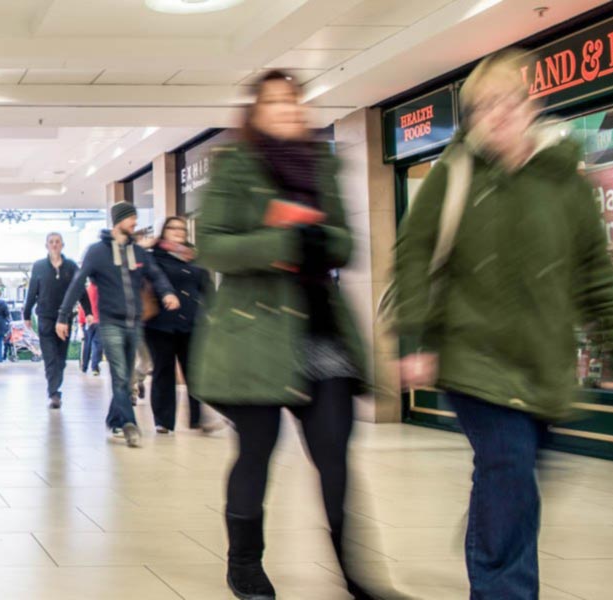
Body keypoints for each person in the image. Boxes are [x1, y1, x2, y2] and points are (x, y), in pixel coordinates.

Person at [393, 51, 613, 600]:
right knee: (509, 469)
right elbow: (413, 256)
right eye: (483, 107)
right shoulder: (453, 176)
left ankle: (491, 534)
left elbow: (595, 268)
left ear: (529, 106)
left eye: (509, 102)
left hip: (543, 361)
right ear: (472, 119)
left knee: (516, 481)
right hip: (471, 356)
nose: (498, 115)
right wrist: (415, 337)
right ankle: (504, 587)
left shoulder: (565, 180)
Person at [190, 70, 390, 600]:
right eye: (273, 101)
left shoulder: (321, 163)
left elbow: (347, 242)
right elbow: (210, 245)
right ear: (254, 112)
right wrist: (274, 242)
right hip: (253, 334)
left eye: (293, 100)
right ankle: (245, 564)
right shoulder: (234, 166)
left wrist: (321, 237)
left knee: (334, 455)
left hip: (320, 332)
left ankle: (353, 572)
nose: (285, 109)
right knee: (256, 450)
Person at [56, 202, 178, 448]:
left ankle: (114, 420)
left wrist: (167, 292)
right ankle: (129, 424)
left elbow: (155, 274)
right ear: (118, 221)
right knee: (121, 375)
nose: (134, 222)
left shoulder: (137, 252)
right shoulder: (97, 252)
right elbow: (78, 283)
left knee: (126, 376)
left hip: (134, 322)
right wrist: (62, 316)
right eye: (131, 218)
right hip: (110, 322)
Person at [145, 216, 214, 434]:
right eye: (173, 228)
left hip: (190, 322)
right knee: (163, 371)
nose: (178, 232)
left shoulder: (192, 257)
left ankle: (196, 419)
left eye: (182, 229)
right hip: (161, 324)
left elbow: (206, 286)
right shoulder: (155, 256)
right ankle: (164, 421)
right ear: (164, 231)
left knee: (193, 371)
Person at [24, 232, 93, 408]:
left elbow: (80, 290)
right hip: (45, 317)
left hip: (65, 318)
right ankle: (54, 393)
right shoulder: (39, 266)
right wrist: (26, 314)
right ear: (46, 245)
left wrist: (89, 311)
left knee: (61, 359)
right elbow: (32, 291)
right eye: (51, 242)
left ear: (62, 245)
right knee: (50, 357)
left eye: (57, 242)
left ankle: (55, 388)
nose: (54, 245)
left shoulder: (70, 266)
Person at [79, 282, 103, 375]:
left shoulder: (87, 290)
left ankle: (84, 366)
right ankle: (94, 367)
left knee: (87, 344)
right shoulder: (102, 289)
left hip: (87, 321)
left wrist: (81, 321)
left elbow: (82, 306)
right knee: (97, 344)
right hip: (99, 321)